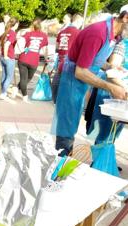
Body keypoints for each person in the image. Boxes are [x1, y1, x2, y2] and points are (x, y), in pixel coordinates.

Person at [51, 13, 128, 156]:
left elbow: (93, 60)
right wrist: (111, 86)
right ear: (126, 18)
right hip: (70, 81)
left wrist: (110, 67)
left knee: (70, 126)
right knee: (66, 131)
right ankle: (58, 169)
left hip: (79, 83)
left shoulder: (113, 36)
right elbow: (80, 72)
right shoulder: (98, 32)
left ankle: (62, 162)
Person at [86, 11, 128, 145]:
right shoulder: (122, 42)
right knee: (105, 131)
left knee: (115, 131)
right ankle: (100, 161)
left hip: (121, 93)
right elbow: (113, 70)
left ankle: (105, 158)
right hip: (114, 91)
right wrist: (124, 88)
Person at [51, 14, 83, 103]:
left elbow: (57, 48)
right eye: (81, 22)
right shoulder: (79, 33)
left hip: (60, 58)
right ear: (78, 21)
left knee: (57, 80)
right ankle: (61, 102)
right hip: (71, 60)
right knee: (68, 84)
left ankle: (55, 100)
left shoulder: (61, 32)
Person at [16, 18, 49, 102]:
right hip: (34, 61)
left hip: (23, 58)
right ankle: (25, 96)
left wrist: (21, 50)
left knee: (24, 79)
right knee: (28, 78)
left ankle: (17, 89)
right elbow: (45, 49)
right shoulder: (44, 35)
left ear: (32, 25)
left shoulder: (28, 33)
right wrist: (46, 59)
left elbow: (19, 41)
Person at [0, 17, 19, 100]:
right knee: (9, 77)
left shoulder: (6, 31)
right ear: (16, 24)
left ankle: (3, 91)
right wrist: (6, 55)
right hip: (8, 57)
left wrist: (3, 53)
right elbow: (7, 44)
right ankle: (3, 93)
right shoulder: (13, 33)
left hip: (2, 56)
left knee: (4, 75)